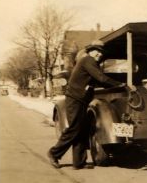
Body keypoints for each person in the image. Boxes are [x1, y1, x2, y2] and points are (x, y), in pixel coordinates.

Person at [47, 41, 126, 170]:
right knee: (74, 129)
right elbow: (101, 78)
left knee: (82, 130)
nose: (99, 54)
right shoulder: (88, 60)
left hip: (81, 100)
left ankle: (79, 163)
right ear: (90, 51)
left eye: (101, 52)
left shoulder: (91, 62)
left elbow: (99, 81)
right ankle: (54, 153)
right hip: (75, 99)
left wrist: (112, 84)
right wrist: (119, 85)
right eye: (97, 51)